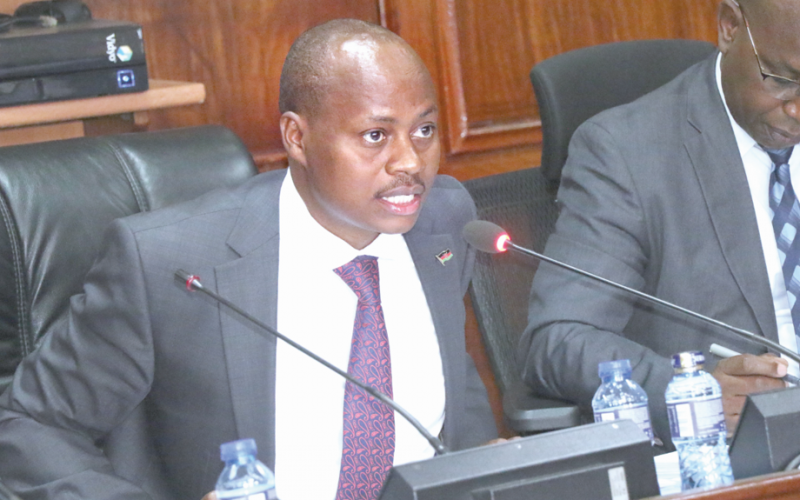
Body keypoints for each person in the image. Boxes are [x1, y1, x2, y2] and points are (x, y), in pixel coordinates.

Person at [0, 19, 496, 500]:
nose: (410, 161)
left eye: (425, 129)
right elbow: (28, 427)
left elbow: (452, 395)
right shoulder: (169, 266)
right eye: (375, 136)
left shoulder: (443, 222)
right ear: (297, 138)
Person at [521, 0, 800, 449]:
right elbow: (559, 339)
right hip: (742, 456)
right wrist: (688, 391)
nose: (798, 110)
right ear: (729, 27)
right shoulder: (625, 153)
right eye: (783, 80)